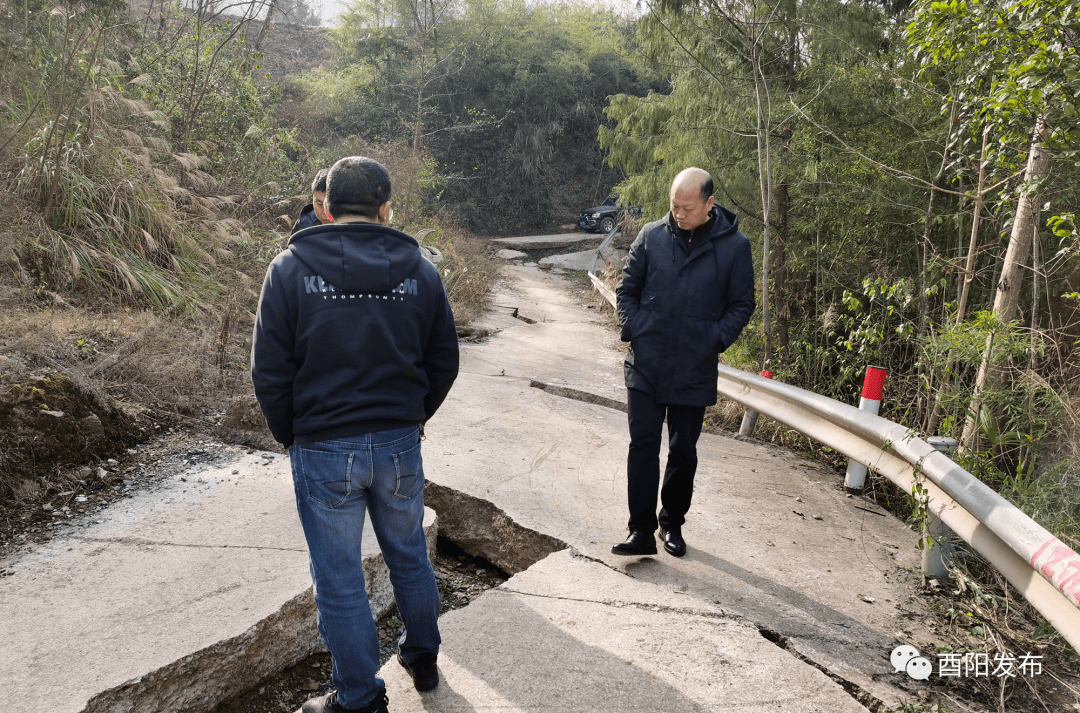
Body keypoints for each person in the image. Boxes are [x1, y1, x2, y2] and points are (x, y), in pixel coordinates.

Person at [252, 156, 459, 713]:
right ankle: (422, 655)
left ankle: (361, 698)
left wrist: (293, 435)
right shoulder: (420, 271)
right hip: (397, 442)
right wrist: (412, 419)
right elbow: (444, 361)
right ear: (386, 208)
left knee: (340, 578)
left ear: (325, 207)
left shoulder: (290, 270)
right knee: (410, 555)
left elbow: (269, 370)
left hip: (323, 445)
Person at [612, 167, 755, 558]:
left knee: (683, 450)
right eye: (674, 206)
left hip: (694, 366)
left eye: (687, 207)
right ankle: (639, 529)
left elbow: (742, 304)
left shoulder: (735, 247)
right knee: (642, 445)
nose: (678, 213)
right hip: (646, 361)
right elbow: (627, 289)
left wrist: (714, 339)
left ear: (710, 204)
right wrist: (636, 327)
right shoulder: (651, 236)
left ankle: (671, 523)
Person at [292, 168, 330, 234]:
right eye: (320, 204)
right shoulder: (304, 226)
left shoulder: (353, 225)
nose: (325, 212)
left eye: (330, 205)